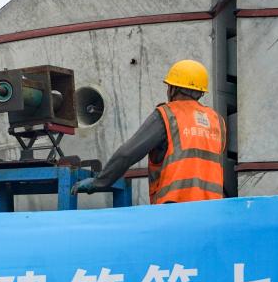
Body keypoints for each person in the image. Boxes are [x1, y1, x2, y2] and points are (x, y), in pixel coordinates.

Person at [72, 59, 227, 204]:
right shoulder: (217, 121)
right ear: (200, 92)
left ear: (173, 89)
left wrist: (98, 182)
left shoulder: (168, 115)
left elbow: (128, 153)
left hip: (175, 209)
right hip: (211, 209)